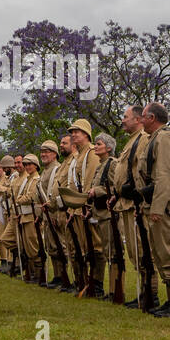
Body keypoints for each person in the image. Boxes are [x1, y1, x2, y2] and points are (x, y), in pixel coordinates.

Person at [136, 102, 170, 317]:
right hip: (157, 201)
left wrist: (157, 207)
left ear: (152, 117)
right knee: (159, 251)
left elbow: (164, 174)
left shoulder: (164, 138)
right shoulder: (154, 138)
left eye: (144, 116)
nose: (141, 120)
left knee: (168, 250)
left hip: (163, 203)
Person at [112, 105, 155, 310]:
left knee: (142, 249)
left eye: (126, 116)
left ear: (138, 119)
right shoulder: (131, 141)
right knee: (134, 250)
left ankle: (150, 293)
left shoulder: (143, 139)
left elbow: (141, 170)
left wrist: (137, 193)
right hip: (126, 202)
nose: (123, 120)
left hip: (136, 202)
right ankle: (143, 291)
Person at [65, 118, 104, 297]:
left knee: (95, 246)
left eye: (77, 132)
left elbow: (90, 182)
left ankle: (97, 283)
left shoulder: (91, 153)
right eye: (72, 132)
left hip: (88, 207)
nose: (73, 135)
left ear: (86, 134)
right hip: (78, 208)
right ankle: (87, 282)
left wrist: (85, 205)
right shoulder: (79, 155)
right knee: (83, 247)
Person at [88, 132, 124, 302]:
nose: (96, 146)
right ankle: (110, 290)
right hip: (100, 213)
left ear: (109, 148)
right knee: (107, 252)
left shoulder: (112, 164)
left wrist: (98, 191)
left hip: (110, 214)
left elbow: (116, 187)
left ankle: (115, 290)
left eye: (99, 144)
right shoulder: (100, 165)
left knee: (114, 252)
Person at [35, 140, 70, 289]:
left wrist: (54, 213)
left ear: (54, 154)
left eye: (47, 152)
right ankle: (57, 275)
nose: (43, 154)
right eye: (42, 152)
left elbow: (56, 193)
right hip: (46, 214)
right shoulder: (45, 171)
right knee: (51, 246)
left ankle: (63, 275)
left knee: (59, 245)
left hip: (55, 213)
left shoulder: (57, 169)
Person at [14, 154, 44, 284]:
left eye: (30, 164)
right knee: (27, 246)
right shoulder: (28, 180)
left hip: (32, 216)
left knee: (33, 246)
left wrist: (19, 199)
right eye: (25, 165)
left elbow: (30, 197)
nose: (27, 167)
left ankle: (38, 274)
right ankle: (31, 273)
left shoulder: (36, 179)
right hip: (24, 216)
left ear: (36, 165)